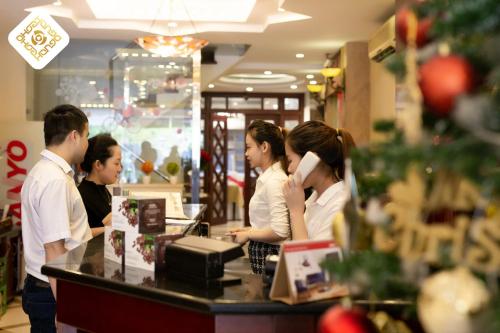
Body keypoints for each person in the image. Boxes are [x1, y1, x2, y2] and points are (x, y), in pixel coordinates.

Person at [21, 104, 93, 332]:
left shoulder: (42, 171)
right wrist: (66, 307)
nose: (87, 143)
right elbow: (54, 248)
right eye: (86, 136)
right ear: (74, 136)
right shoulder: (55, 180)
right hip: (52, 291)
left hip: (44, 287)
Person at [228, 120, 289, 274]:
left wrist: (248, 234)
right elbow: (268, 223)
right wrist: (247, 230)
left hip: (271, 255)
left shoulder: (275, 180)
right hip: (265, 255)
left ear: (264, 147)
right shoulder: (268, 178)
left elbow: (280, 231)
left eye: (248, 147)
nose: (246, 153)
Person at [283, 121, 355, 240]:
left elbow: (306, 257)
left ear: (311, 160)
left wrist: (296, 212)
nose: (289, 169)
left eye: (290, 160)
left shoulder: (340, 206)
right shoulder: (314, 199)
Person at [78, 133, 122, 237]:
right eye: (116, 163)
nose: (120, 169)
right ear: (98, 164)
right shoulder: (86, 194)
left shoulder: (102, 190)